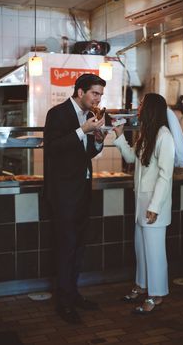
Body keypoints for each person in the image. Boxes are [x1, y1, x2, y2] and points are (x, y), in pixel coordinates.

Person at [43, 74, 107, 324]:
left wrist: (98, 140)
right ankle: (64, 303)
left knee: (78, 248)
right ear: (80, 92)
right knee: (66, 248)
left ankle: (73, 293)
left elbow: (85, 153)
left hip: (82, 192)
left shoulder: (91, 117)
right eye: (95, 93)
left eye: (100, 95)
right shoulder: (57, 113)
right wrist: (83, 130)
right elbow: (53, 148)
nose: (98, 99)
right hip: (63, 194)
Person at [113, 93, 175, 314]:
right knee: (141, 249)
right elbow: (132, 159)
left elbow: (165, 176)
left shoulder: (164, 136)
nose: (138, 108)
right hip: (142, 203)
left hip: (153, 206)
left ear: (151, 109)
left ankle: (157, 294)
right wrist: (120, 136)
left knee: (155, 251)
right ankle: (141, 285)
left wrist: (154, 207)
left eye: (141, 104)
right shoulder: (146, 134)